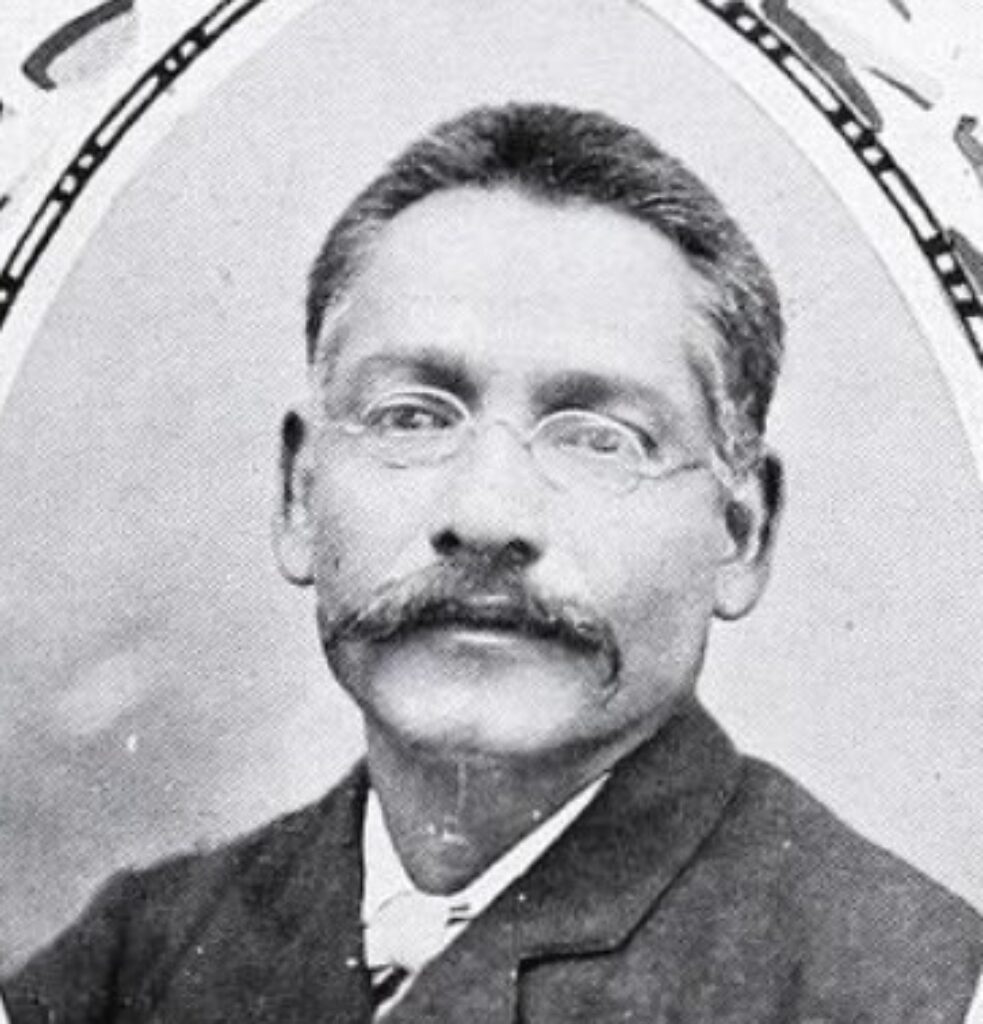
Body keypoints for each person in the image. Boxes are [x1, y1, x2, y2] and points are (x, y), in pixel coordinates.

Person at [2, 102, 981, 1023]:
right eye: (410, 417)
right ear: (298, 494)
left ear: (740, 531)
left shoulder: (908, 985)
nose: (484, 516)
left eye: (598, 438)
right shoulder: (133, 958)